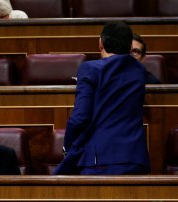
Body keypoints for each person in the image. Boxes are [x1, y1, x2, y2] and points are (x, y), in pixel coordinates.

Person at [54, 21, 150, 175]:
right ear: (129, 46)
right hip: (135, 159)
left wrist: (68, 147)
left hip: (100, 160)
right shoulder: (139, 70)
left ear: (101, 43)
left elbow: (80, 118)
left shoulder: (90, 69)